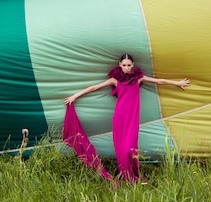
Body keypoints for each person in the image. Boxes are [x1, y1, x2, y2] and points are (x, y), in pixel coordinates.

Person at [63, 54, 190, 183]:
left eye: (129, 65)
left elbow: (158, 81)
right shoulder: (115, 80)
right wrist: (75, 96)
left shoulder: (138, 79)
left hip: (133, 118)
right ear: (120, 65)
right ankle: (125, 175)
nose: (126, 68)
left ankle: (132, 174)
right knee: (122, 150)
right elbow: (95, 87)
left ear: (133, 65)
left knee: (130, 149)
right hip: (120, 117)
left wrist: (177, 83)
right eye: (124, 65)